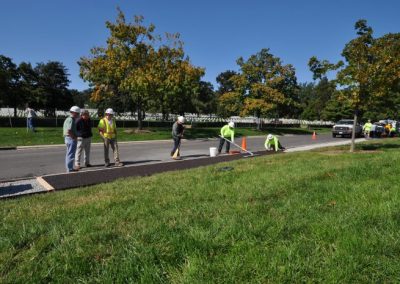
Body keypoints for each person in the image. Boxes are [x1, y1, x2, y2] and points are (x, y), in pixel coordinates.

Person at [63, 106, 80, 172]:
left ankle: (69, 168)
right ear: (73, 113)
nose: (78, 115)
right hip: (70, 138)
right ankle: (69, 169)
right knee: (71, 154)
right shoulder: (71, 119)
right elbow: (69, 130)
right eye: (77, 113)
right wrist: (74, 137)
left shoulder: (68, 119)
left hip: (67, 138)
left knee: (69, 154)